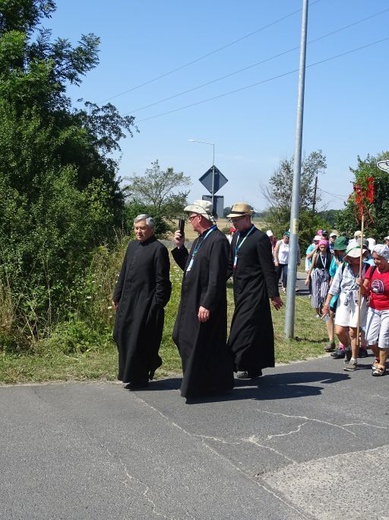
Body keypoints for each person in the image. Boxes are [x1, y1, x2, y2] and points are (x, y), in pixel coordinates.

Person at [172, 200, 234, 400]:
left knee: (197, 342)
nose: (190, 222)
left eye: (191, 218)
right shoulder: (200, 240)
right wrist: (180, 248)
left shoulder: (217, 241)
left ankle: (198, 385)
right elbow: (190, 268)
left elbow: (217, 276)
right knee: (181, 337)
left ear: (200, 217)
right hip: (191, 299)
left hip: (205, 301)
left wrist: (207, 303)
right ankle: (212, 381)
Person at [113, 214, 172, 389]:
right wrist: (117, 295)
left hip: (146, 302)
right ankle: (128, 373)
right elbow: (124, 272)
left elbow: (162, 281)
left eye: (142, 228)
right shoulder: (132, 246)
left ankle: (140, 376)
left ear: (151, 230)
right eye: (136, 228)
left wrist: (158, 303)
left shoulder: (158, 249)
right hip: (128, 301)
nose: (139, 231)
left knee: (139, 339)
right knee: (121, 334)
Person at [226, 202, 283, 379]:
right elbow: (230, 264)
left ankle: (229, 363)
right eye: (232, 220)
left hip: (255, 291)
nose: (233, 223)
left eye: (236, 219)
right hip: (240, 289)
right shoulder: (236, 237)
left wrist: (273, 294)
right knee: (256, 329)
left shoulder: (259, 238)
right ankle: (253, 367)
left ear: (247, 218)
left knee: (242, 328)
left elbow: (268, 269)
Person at [321, 243, 369, 372]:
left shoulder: (368, 268)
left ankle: (353, 358)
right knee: (339, 330)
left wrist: (362, 284)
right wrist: (327, 304)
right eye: (353, 257)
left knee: (353, 331)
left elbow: (367, 291)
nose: (355, 260)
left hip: (359, 301)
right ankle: (347, 347)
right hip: (344, 300)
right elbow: (334, 287)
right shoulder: (343, 267)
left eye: (358, 257)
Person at [363, 244, 389, 377]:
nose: (376, 261)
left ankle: (382, 365)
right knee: (370, 339)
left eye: (379, 259)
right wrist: (360, 285)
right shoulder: (372, 270)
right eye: (374, 258)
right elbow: (365, 290)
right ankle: (379, 357)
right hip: (373, 308)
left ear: (385, 258)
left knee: (383, 338)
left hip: (387, 310)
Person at [305, 239, 332, 318]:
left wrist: (331, 279)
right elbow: (312, 266)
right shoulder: (316, 255)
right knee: (315, 293)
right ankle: (317, 312)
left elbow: (331, 268)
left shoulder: (330, 256)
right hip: (317, 273)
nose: (322, 249)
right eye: (321, 247)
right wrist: (307, 277)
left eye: (324, 247)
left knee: (324, 293)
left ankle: (323, 308)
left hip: (326, 274)